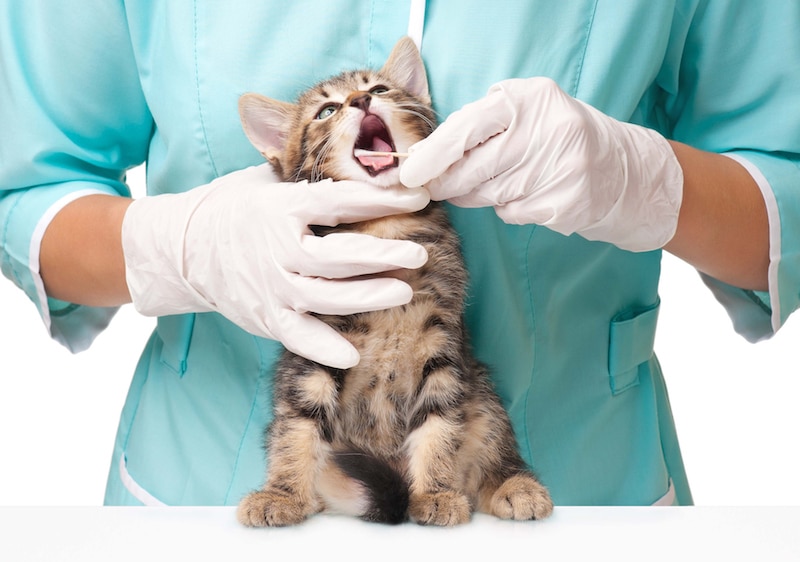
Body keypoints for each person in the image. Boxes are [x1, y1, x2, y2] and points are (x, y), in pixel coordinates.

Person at [1, 1, 798, 508]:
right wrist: (170, 247)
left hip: (580, 498)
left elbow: (783, 202)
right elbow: (25, 191)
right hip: (204, 497)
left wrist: (646, 181)